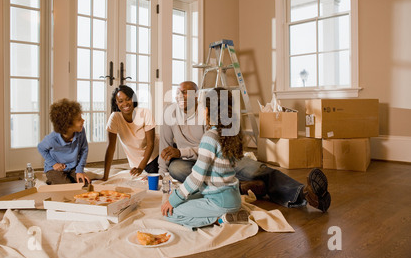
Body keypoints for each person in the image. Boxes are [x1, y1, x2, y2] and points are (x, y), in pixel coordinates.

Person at [159, 81, 331, 213]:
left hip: (218, 157)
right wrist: (160, 174)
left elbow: (210, 144)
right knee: (177, 168)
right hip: (191, 163)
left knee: (258, 170)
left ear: (196, 96)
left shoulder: (207, 113)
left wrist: (182, 151)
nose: (180, 96)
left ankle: (304, 193)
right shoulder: (170, 113)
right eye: (177, 93)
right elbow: (164, 147)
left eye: (185, 93)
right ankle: (241, 187)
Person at [161, 87, 250, 229]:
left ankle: (219, 220)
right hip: (233, 197)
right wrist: (181, 194)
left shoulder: (210, 137)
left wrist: (173, 200)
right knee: (183, 199)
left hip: (219, 201)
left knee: (171, 212)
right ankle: (228, 215)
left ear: (208, 111)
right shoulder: (233, 133)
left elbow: (196, 178)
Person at [103, 85, 159, 181]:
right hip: (136, 163)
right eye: (121, 101)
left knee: (159, 178)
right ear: (116, 103)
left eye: (128, 99)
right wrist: (105, 176)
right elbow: (111, 148)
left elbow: (151, 144)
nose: (125, 103)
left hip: (155, 155)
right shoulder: (115, 117)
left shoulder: (145, 113)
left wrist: (141, 167)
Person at [37, 98, 90, 185]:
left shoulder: (81, 131)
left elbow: (84, 150)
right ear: (67, 124)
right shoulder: (52, 138)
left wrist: (80, 170)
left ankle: (67, 178)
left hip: (73, 167)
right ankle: (52, 179)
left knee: (85, 184)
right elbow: (41, 148)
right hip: (54, 169)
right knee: (66, 186)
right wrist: (53, 164)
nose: (83, 121)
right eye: (79, 119)